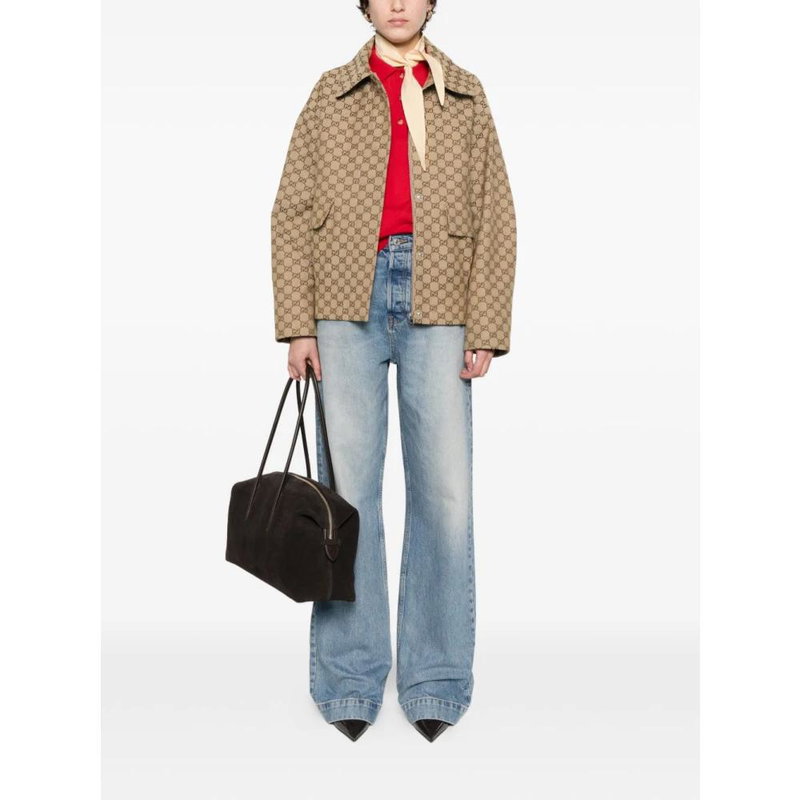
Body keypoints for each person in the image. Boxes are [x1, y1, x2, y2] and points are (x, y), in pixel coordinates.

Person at [270, 0, 516, 742]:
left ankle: (435, 675)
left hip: (440, 296)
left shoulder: (465, 93)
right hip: (344, 299)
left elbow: (496, 215)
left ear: (433, 2)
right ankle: (350, 676)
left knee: (445, 494)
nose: (399, 3)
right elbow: (291, 210)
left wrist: (487, 327)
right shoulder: (330, 91)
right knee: (348, 495)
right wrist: (298, 324)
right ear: (366, 4)